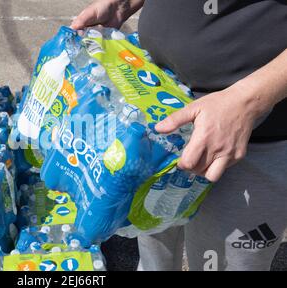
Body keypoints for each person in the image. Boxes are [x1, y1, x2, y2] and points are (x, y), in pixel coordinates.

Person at [71, 0, 287, 271]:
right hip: (156, 102)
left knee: (223, 263)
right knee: (153, 243)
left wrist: (248, 101)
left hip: (248, 135)